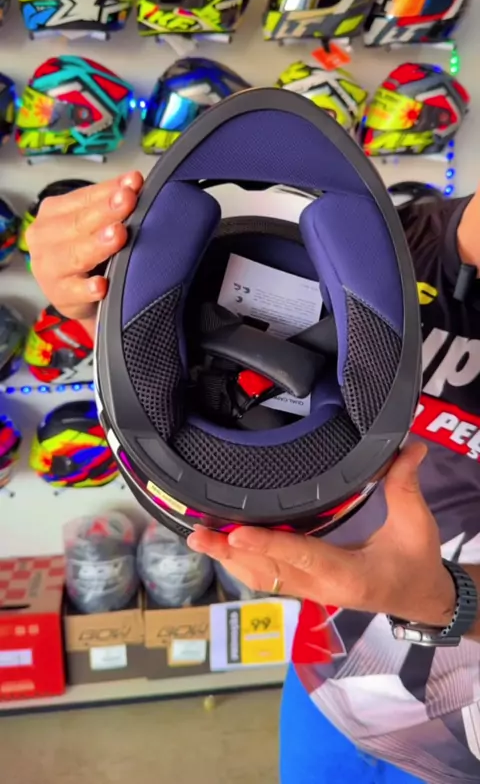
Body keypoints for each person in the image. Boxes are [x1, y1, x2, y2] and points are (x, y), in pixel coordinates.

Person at [27, 172, 480, 784]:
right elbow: (187, 393)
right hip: (327, 685)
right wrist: (100, 307)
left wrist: (441, 600)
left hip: (460, 746)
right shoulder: (365, 241)